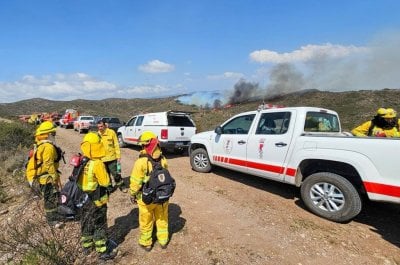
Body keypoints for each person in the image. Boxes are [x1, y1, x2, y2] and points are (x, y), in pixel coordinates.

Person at [78, 132, 117, 260]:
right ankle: (103, 252)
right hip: (97, 200)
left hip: (83, 199)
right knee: (99, 224)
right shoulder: (97, 163)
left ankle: (87, 248)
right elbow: (105, 182)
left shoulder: (82, 160)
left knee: (86, 222)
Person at [129, 131, 170, 251]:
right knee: (162, 219)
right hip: (162, 196)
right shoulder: (163, 159)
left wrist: (132, 194)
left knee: (146, 220)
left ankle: (146, 243)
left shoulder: (141, 162)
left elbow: (136, 182)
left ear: (144, 145)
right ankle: (163, 241)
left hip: (146, 198)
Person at [26, 121, 62, 226]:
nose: (54, 135)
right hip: (47, 178)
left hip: (43, 177)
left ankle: (52, 217)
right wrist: (54, 176)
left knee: (49, 197)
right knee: (50, 198)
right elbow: (48, 164)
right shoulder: (48, 147)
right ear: (48, 134)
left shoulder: (41, 144)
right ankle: (52, 221)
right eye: (53, 133)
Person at [97, 119, 125, 191]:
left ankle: (121, 186)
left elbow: (116, 145)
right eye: (98, 127)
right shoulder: (98, 134)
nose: (100, 128)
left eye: (101, 126)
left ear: (105, 125)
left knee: (116, 174)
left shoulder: (111, 132)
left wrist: (118, 156)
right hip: (102, 159)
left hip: (111, 158)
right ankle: (109, 188)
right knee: (106, 175)